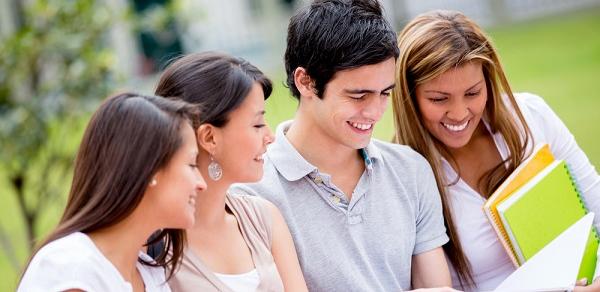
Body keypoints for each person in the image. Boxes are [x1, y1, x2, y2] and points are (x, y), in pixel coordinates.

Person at [231, 0, 456, 290]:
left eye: (385, 93)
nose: (375, 112)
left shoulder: (410, 170)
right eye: (358, 96)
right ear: (306, 82)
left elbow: (435, 286)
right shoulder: (251, 194)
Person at [392, 10, 600, 291]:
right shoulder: (399, 174)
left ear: (488, 82)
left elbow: (596, 205)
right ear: (409, 98)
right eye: (439, 99)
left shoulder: (531, 116)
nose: (459, 113)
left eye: (473, 93)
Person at [18, 93, 206, 291]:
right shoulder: (73, 270)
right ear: (150, 170)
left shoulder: (151, 276)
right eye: (192, 164)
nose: (202, 183)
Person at [155, 52, 308, 292]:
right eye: (257, 124)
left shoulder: (264, 218)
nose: (270, 136)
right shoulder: (152, 245)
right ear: (209, 137)